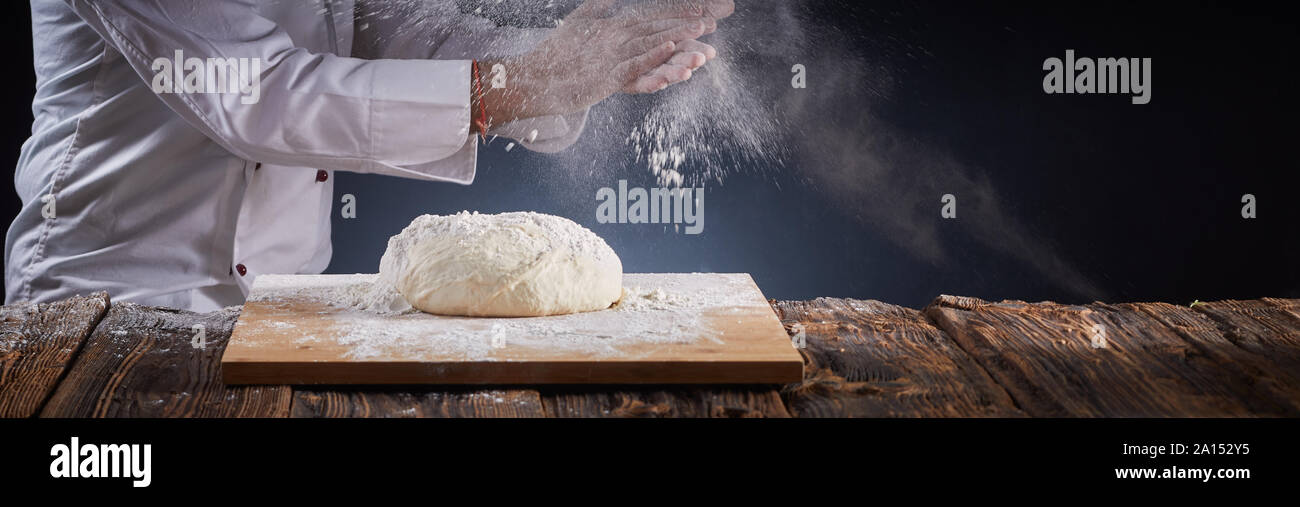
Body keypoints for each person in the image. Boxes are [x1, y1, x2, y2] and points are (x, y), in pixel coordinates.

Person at [5, 0, 734, 311]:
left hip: (282, 311)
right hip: (110, 303)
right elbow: (259, 94)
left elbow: (400, 33)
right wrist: (527, 81)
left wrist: (579, 60)